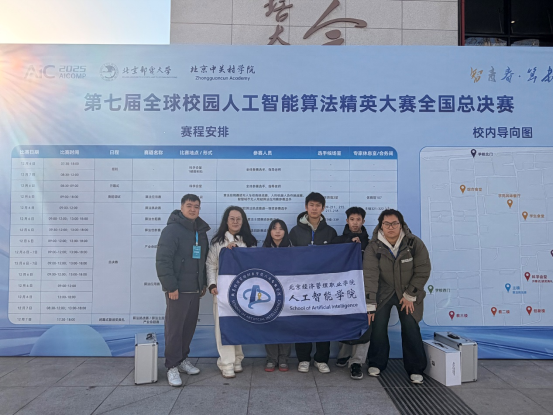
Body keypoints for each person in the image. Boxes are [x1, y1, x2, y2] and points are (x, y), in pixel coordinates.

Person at [364, 209, 431, 384]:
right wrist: (370, 303)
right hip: (383, 293)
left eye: (394, 223)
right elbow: (370, 275)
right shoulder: (373, 246)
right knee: (378, 326)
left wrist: (410, 294)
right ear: (381, 226)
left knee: (410, 326)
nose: (391, 227)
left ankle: (415, 368)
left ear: (401, 225)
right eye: (386, 224)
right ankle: (376, 363)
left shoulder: (414, 243)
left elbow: (423, 269)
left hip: (407, 292)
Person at [155, 194, 210, 387]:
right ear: (181, 207)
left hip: (194, 289)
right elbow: (163, 260)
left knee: (188, 328)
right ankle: (171, 366)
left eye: (196, 206)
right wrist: (171, 286)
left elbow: (203, 260)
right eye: (189, 206)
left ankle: (182, 359)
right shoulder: (172, 230)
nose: (193, 209)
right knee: (174, 329)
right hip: (177, 290)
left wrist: (202, 283)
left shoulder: (200, 231)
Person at [206, 206, 257, 379]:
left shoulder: (249, 241)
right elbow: (211, 265)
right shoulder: (217, 242)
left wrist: (239, 251)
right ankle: (226, 363)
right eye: (232, 218)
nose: (235, 222)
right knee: (223, 327)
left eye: (238, 219)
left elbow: (254, 264)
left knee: (238, 325)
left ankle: (237, 359)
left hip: (242, 293)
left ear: (243, 221)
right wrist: (212, 284)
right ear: (226, 221)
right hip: (221, 292)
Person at [289, 192, 337, 374]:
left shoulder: (330, 232)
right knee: (302, 322)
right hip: (301, 285)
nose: (314, 208)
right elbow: (289, 258)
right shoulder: (295, 231)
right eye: (311, 205)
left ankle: (321, 359)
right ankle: (303, 358)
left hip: (323, 286)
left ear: (323, 208)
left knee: (323, 321)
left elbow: (337, 258)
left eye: (318, 205)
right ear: (306, 207)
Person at [331, 207, 373, 380]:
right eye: (352, 219)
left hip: (363, 290)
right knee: (343, 321)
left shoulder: (370, 244)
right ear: (347, 221)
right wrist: (348, 245)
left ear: (363, 221)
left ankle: (357, 362)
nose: (355, 223)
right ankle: (344, 355)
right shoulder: (337, 240)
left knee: (364, 324)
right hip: (343, 289)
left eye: (358, 219)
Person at [261, 219, 293, 372]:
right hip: (269, 293)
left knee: (286, 325)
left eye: (281, 228)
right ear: (270, 232)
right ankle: (271, 359)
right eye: (274, 228)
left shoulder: (292, 250)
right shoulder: (263, 250)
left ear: (285, 232)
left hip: (288, 292)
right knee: (270, 325)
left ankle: (284, 358)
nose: (278, 231)